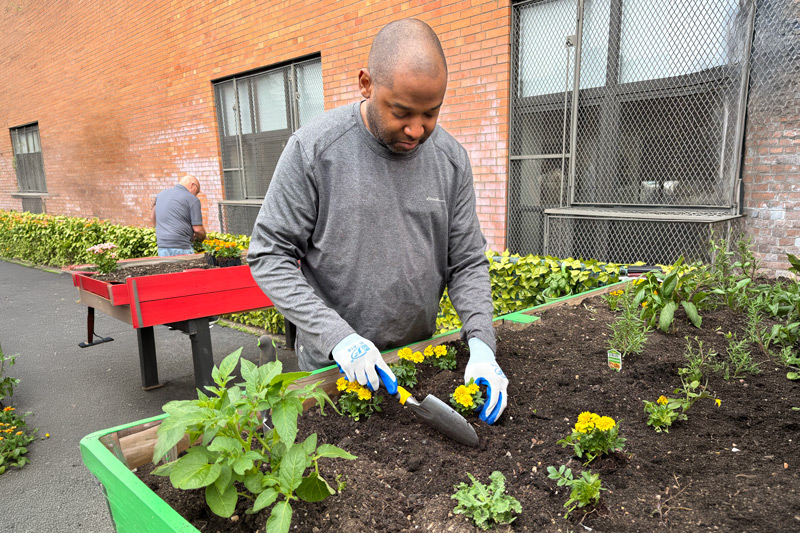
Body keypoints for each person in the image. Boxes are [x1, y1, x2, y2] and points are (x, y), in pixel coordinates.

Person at [247, 18, 508, 424]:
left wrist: (482, 344)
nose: (417, 129)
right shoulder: (316, 150)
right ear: (366, 84)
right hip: (333, 370)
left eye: (431, 113)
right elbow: (269, 255)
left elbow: (467, 261)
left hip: (415, 362)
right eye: (402, 112)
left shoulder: (451, 160)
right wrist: (340, 339)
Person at [151, 174, 207, 257]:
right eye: (197, 191)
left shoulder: (160, 195)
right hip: (182, 247)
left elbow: (153, 218)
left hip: (162, 247)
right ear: (192, 185)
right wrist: (203, 237)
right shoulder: (192, 199)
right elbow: (197, 229)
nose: (196, 195)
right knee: (187, 269)